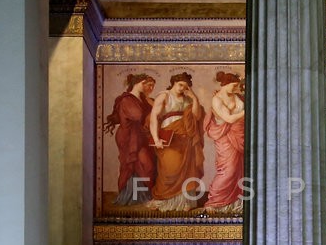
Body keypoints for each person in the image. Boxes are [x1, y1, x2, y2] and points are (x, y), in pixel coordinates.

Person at [146, 71, 205, 212]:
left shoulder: (188, 99)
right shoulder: (164, 96)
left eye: (185, 87)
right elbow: (154, 117)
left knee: (187, 171)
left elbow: (196, 117)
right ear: (173, 83)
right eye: (180, 85)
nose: (182, 89)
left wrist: (195, 98)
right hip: (169, 137)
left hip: (186, 140)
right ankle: (164, 202)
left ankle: (185, 203)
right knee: (169, 170)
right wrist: (156, 138)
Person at [104, 73, 156, 205]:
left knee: (147, 165)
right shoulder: (127, 99)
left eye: (151, 85)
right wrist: (152, 109)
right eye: (146, 84)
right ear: (138, 83)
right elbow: (138, 116)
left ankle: (143, 195)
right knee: (131, 166)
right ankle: (128, 197)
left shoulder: (143, 99)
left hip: (140, 136)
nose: (149, 87)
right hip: (129, 137)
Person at [203, 71, 245, 213]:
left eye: (237, 86)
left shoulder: (238, 96)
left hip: (239, 136)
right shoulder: (217, 99)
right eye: (233, 86)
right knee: (228, 171)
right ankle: (214, 201)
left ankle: (233, 204)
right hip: (225, 138)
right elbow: (229, 119)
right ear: (225, 84)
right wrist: (248, 110)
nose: (235, 89)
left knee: (239, 170)